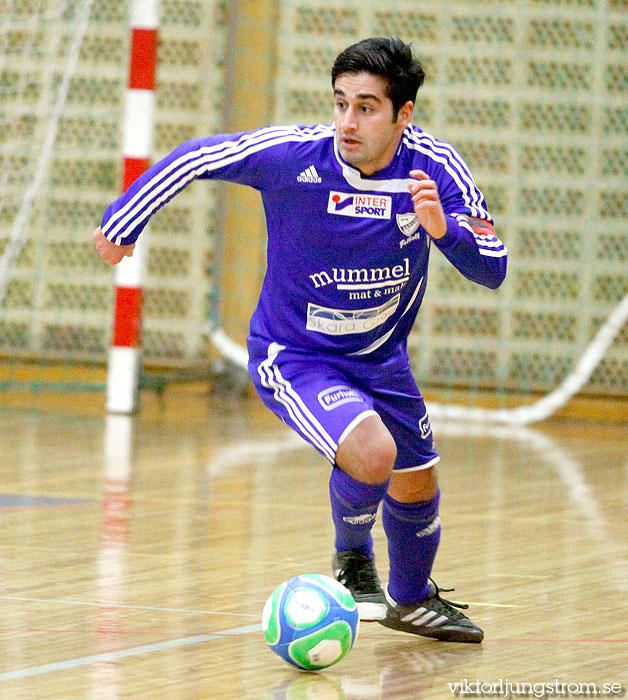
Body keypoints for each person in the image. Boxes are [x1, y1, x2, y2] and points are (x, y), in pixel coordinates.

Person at [94, 37, 507, 643]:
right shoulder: (294, 156)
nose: (347, 121)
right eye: (340, 103)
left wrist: (444, 231)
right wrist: (125, 221)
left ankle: (412, 599)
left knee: (417, 480)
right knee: (372, 453)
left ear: (403, 115)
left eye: (366, 107)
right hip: (297, 355)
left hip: (381, 359)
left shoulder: (436, 170)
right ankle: (352, 562)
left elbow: (491, 268)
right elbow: (196, 156)